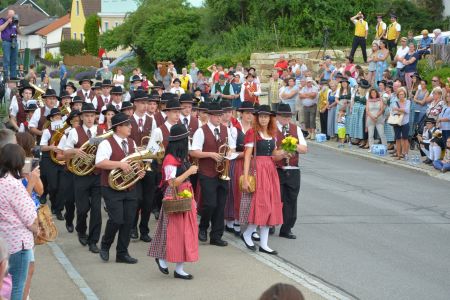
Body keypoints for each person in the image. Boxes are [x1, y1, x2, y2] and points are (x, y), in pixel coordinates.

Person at [148, 124, 199, 280]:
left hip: (186, 193)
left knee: (186, 232)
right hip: (175, 196)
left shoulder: (180, 157)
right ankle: (163, 258)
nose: (188, 141)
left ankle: (179, 269)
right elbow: (172, 182)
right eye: (186, 139)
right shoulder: (170, 159)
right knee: (175, 232)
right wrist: (189, 171)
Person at [96, 113, 142, 264]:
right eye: (127, 125)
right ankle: (105, 244)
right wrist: (119, 164)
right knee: (116, 219)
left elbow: (135, 163)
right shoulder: (106, 143)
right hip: (111, 187)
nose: (130, 127)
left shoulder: (132, 142)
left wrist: (139, 172)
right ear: (118, 127)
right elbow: (100, 163)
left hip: (129, 186)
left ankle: (122, 253)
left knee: (128, 221)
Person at [190, 102, 236, 246]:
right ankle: (203, 227)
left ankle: (216, 236)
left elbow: (232, 147)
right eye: (216, 115)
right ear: (210, 116)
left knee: (221, 205)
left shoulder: (226, 129)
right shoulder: (201, 131)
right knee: (210, 204)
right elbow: (193, 152)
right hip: (207, 172)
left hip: (222, 172)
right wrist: (210, 154)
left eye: (220, 115)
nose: (219, 118)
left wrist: (229, 152)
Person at [240, 105, 284, 254]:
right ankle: (247, 233)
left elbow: (273, 153)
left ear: (270, 118)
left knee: (270, 205)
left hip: (270, 170)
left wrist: (284, 153)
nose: (264, 119)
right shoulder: (252, 133)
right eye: (261, 116)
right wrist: (245, 178)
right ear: (257, 118)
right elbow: (247, 156)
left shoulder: (272, 133)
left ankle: (264, 244)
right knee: (261, 205)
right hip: (258, 169)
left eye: (266, 116)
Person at [64, 103, 104, 253]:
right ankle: (81, 230)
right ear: (81, 117)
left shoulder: (101, 131)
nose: (89, 118)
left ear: (95, 117)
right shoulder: (75, 132)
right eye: (86, 116)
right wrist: (75, 150)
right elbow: (65, 151)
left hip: (97, 175)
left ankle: (93, 241)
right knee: (82, 209)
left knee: (96, 210)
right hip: (80, 175)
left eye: (92, 116)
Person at [0, 144, 38, 300]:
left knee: (5, 285)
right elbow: (29, 218)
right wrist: (37, 230)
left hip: (3, 239)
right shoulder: (13, 185)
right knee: (17, 287)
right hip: (17, 242)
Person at [275, 104, 307, 239]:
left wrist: (291, 144)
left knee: (291, 199)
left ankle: (286, 228)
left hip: (293, 169)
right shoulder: (271, 129)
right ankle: (269, 224)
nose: (287, 118)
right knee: (276, 198)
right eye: (284, 116)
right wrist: (282, 152)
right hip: (276, 168)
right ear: (277, 116)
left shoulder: (295, 129)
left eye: (288, 116)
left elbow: (304, 149)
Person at [129, 90, 156, 242]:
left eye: (147, 103)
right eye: (142, 103)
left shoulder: (151, 120)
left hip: (148, 163)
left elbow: (154, 142)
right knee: (136, 198)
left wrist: (147, 154)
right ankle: (132, 227)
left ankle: (144, 229)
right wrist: (135, 152)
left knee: (148, 200)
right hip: (133, 165)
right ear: (135, 104)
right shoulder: (128, 120)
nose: (145, 106)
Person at [39, 108, 65, 219]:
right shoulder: (46, 131)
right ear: (51, 119)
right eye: (56, 117)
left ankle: (58, 209)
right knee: (53, 186)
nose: (58, 118)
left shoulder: (65, 131)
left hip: (61, 159)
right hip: (49, 159)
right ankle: (53, 204)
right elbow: (42, 147)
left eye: (60, 117)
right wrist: (51, 147)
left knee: (62, 187)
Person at [391, 87, 410, 160]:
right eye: (399, 94)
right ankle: (399, 155)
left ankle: (406, 154)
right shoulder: (395, 102)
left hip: (405, 122)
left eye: (402, 94)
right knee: (397, 138)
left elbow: (407, 111)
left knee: (405, 138)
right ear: (398, 95)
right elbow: (394, 112)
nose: (401, 96)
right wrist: (401, 110)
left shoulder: (408, 101)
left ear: (405, 94)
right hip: (397, 122)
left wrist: (398, 109)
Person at [0, 10, 20, 81]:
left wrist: (17, 26)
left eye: (13, 16)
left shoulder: (15, 22)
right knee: (7, 59)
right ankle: (6, 76)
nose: (12, 17)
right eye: (10, 16)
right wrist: (8, 22)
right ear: (7, 15)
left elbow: (20, 33)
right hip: (6, 42)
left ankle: (13, 76)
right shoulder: (2, 20)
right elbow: (0, 28)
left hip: (14, 42)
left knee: (14, 60)